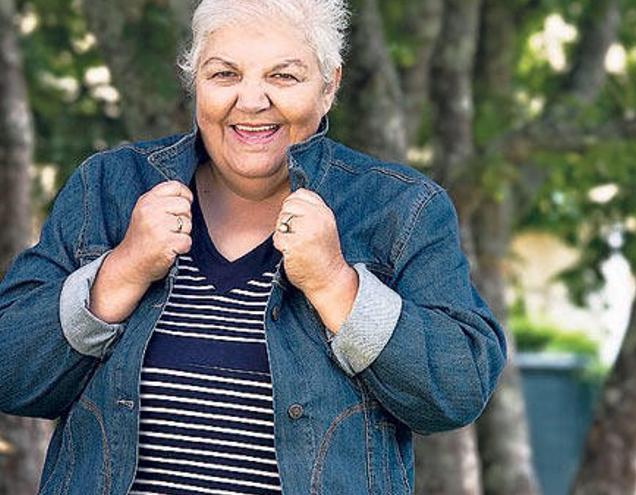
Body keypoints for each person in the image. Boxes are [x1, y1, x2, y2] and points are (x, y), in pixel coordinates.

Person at [0, 0, 507, 493]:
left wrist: (336, 284)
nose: (252, 100)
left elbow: (456, 392)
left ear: (329, 86)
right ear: (194, 82)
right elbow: (12, 374)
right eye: (224, 75)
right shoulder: (107, 187)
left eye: (283, 76)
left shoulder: (402, 208)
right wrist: (121, 272)